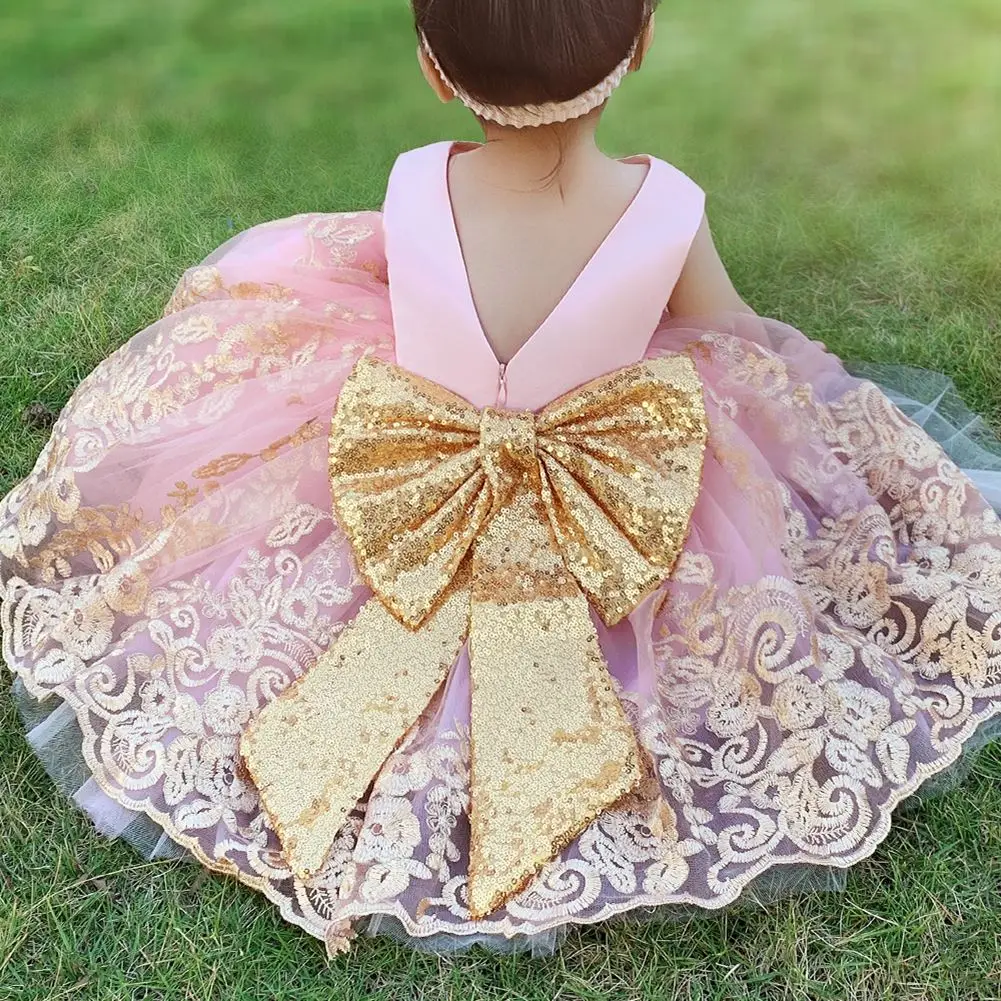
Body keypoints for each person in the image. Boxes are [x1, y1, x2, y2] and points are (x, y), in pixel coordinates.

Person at [4, 0, 1001, 960]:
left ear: (433, 70)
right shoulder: (664, 206)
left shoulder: (416, 180)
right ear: (641, 41)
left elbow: (415, 276)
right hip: (605, 505)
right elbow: (731, 337)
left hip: (409, 486)